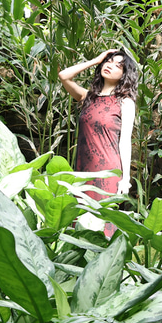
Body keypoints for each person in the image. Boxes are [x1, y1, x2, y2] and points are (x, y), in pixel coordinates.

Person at [59, 49, 138, 238]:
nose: (110, 65)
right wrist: (95, 60)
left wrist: (125, 179)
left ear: (124, 74)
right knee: (80, 225)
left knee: (103, 225)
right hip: (82, 172)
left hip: (107, 172)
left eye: (118, 65)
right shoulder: (87, 97)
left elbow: (125, 142)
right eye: (108, 61)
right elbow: (63, 76)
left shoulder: (125, 102)